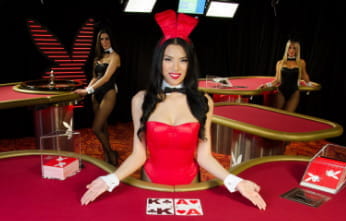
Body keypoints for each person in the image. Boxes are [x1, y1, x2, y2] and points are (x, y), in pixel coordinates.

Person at [80, 10, 266, 210]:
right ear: (158, 61)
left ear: (190, 63)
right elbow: (139, 154)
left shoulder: (203, 102)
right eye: (168, 59)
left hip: (191, 184)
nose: (175, 67)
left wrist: (236, 182)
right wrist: (109, 181)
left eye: (183, 60)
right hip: (150, 182)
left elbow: (205, 156)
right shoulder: (141, 100)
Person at [75, 28, 120, 165]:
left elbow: (106, 78)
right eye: (102, 39)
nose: (104, 42)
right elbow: (95, 77)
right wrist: (87, 89)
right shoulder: (97, 58)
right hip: (96, 94)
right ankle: (107, 155)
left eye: (107, 38)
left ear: (111, 40)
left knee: (96, 128)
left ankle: (111, 152)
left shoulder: (115, 57)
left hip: (108, 92)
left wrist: (87, 91)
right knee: (103, 128)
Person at [259, 40, 312, 112]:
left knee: (288, 116)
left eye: (294, 48)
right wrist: (266, 85)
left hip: (294, 92)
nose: (291, 50)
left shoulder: (301, 62)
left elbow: (304, 75)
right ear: (286, 49)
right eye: (290, 48)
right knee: (277, 114)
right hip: (281, 92)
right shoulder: (280, 63)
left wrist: (309, 85)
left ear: (297, 50)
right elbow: (277, 80)